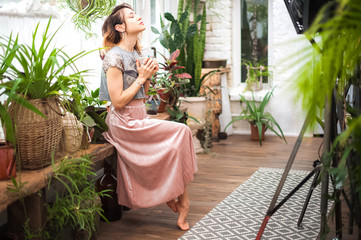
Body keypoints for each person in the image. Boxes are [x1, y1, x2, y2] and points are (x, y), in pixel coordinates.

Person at [99, 3, 198, 231]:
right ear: (121, 27)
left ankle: (173, 193)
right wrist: (141, 76)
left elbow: (142, 95)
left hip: (139, 116)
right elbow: (118, 102)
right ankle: (182, 201)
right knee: (181, 131)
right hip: (123, 122)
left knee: (178, 139)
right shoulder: (113, 57)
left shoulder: (136, 54)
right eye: (132, 16)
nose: (139, 18)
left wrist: (148, 76)